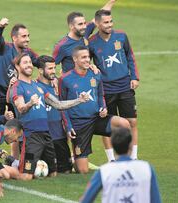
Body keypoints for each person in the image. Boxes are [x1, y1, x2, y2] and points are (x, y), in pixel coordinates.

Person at [10, 53, 90, 180]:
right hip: (30, 138)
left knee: (53, 173)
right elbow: (20, 107)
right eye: (25, 62)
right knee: (26, 175)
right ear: (17, 67)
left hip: (46, 136)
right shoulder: (17, 86)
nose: (29, 65)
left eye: (30, 62)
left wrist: (79, 100)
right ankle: (10, 165)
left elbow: (58, 104)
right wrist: (30, 103)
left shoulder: (38, 87)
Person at [59, 45, 130, 173]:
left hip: (97, 119)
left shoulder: (95, 74)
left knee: (124, 124)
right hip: (79, 124)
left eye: (88, 57)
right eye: (83, 57)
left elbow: (100, 94)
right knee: (83, 170)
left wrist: (103, 107)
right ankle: (73, 159)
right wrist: (68, 126)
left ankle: (123, 162)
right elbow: (62, 105)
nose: (87, 60)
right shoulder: (65, 79)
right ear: (75, 59)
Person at [89, 9, 140, 160]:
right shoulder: (92, 42)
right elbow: (86, 62)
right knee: (108, 125)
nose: (109, 24)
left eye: (111, 21)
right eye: (106, 22)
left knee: (132, 121)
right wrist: (92, 68)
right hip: (106, 89)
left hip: (125, 85)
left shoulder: (121, 36)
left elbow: (130, 55)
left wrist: (135, 77)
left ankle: (134, 157)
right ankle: (112, 159)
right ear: (97, 24)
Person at [80, 127, 161, 203]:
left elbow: (85, 200)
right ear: (131, 145)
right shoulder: (147, 168)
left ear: (112, 145)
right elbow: (156, 200)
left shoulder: (104, 171)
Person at [0, 17, 38, 116]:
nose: (28, 39)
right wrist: (0, 27)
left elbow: (41, 62)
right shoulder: (4, 48)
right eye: (24, 36)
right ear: (14, 38)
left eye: (28, 36)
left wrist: (53, 78)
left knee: (14, 126)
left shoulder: (28, 53)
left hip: (13, 94)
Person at [53, 0, 116, 73]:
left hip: (87, 80)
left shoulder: (84, 33)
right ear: (71, 26)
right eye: (80, 24)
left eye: (84, 23)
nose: (84, 26)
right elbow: (50, 65)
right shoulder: (62, 46)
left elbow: (100, 15)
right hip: (72, 83)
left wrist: (112, 1)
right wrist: (54, 79)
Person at [35, 55, 73, 173]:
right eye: (50, 69)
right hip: (43, 137)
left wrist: (68, 127)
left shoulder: (58, 85)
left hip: (59, 135)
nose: (53, 71)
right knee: (46, 171)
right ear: (41, 70)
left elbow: (63, 108)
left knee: (66, 170)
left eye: (54, 68)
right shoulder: (34, 86)